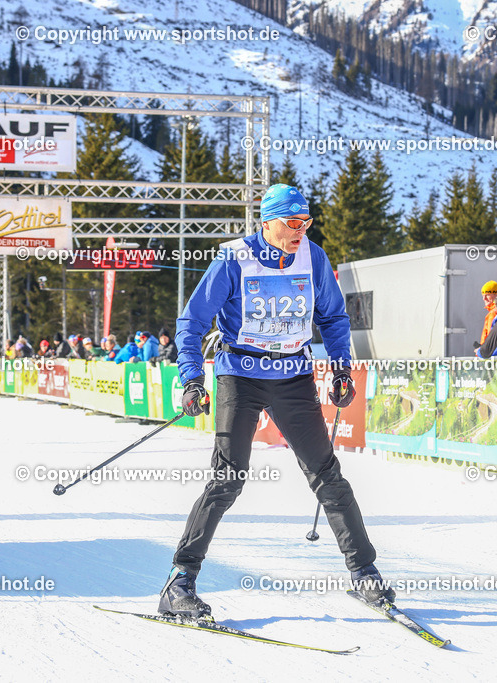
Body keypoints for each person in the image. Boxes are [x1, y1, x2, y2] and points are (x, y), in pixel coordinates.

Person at [160, 183, 393, 618]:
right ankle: (179, 582)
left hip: (292, 376)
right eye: (292, 222)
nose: (300, 229)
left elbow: (334, 316)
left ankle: (365, 574)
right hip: (240, 376)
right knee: (228, 480)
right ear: (267, 221)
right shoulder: (234, 258)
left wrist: (341, 367)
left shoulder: (313, 257)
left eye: (306, 221)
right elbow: (192, 323)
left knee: (327, 475)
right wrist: (192, 378)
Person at [477, 280, 497, 352]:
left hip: (490, 354)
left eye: (487, 295)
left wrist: (481, 352)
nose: (484, 298)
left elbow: (490, 338)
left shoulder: (493, 313)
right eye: (483, 295)